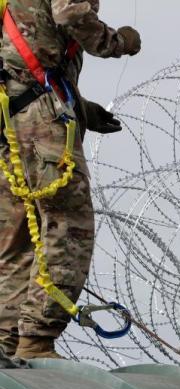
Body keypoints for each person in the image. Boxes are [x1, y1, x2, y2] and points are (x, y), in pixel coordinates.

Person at [0, 0, 141, 359]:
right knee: (68, 223)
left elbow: (25, 58)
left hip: (11, 118)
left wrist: (82, 108)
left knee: (18, 237)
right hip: (38, 122)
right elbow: (69, 14)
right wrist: (118, 42)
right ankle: (36, 337)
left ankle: (9, 339)